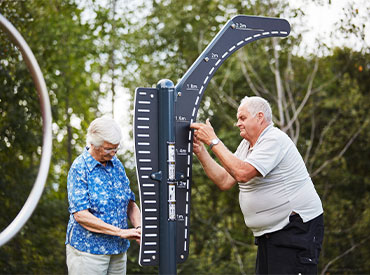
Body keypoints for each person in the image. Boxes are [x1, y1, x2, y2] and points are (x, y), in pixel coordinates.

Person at [190, 96, 324, 274]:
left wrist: (213, 141)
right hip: (269, 235)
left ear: (260, 117)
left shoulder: (273, 139)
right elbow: (225, 180)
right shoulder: (247, 145)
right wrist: (200, 151)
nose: (238, 123)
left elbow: (242, 173)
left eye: (242, 118)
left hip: (295, 230)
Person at [65, 117, 141, 275]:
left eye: (116, 148)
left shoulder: (117, 164)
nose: (113, 153)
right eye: (108, 149)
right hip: (88, 252)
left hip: (118, 250)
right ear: (93, 144)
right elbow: (81, 215)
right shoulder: (80, 168)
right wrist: (120, 231)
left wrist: (139, 228)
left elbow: (130, 204)